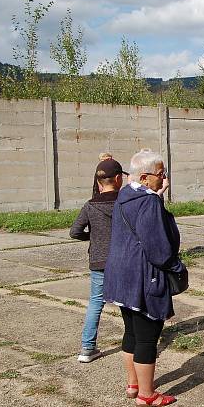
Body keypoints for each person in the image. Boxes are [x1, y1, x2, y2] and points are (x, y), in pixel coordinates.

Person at [104, 148, 183, 407]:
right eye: (161, 174)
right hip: (143, 278)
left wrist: (158, 198)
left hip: (121, 277)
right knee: (148, 338)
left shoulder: (125, 196)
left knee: (132, 333)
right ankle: (147, 395)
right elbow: (159, 249)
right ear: (146, 177)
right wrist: (176, 267)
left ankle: (133, 384)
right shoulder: (148, 203)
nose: (164, 179)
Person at [70, 156, 128, 363]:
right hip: (123, 261)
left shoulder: (90, 206)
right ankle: (136, 345)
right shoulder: (125, 202)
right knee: (128, 304)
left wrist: (92, 237)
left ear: (98, 182)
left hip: (98, 262)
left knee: (96, 303)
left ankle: (87, 348)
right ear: (119, 179)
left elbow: (75, 232)